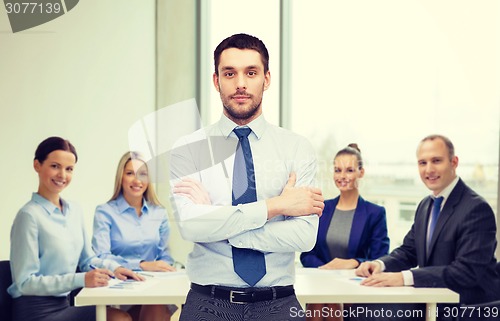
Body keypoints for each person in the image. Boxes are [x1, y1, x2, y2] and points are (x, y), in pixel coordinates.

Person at [169, 33, 325, 321]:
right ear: (216, 80)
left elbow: (304, 236)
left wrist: (218, 222)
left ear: (266, 79)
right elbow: (191, 228)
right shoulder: (187, 149)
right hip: (208, 303)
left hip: (279, 304)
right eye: (230, 73)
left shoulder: (297, 148)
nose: (240, 83)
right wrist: (276, 206)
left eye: (250, 72)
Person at [354, 134, 499, 321]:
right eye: (422, 163)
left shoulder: (476, 208)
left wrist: (403, 278)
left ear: (454, 162)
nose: (429, 169)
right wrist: (380, 265)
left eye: (436, 161)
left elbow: (466, 272)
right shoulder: (426, 205)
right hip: (432, 300)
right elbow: (409, 251)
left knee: (371, 314)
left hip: (467, 308)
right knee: (360, 309)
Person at [8, 136, 142, 321]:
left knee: (131, 314)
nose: (62, 175)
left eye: (69, 169)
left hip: (66, 304)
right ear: (37, 165)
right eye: (55, 166)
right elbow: (24, 283)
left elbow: (88, 259)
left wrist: (115, 268)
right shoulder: (29, 216)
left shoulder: (74, 211)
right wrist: (81, 279)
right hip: (36, 312)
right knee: (119, 319)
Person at [300, 144, 390, 321]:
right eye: (337, 170)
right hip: (322, 283)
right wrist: (325, 270)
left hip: (355, 286)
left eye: (349, 170)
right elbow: (307, 254)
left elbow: (381, 257)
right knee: (324, 300)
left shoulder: (375, 213)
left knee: (329, 302)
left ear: (361, 172)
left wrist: (353, 262)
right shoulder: (322, 209)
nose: (342, 176)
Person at [92, 151, 176, 321]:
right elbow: (100, 257)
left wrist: (162, 267)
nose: (137, 181)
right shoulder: (105, 212)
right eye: (130, 173)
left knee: (157, 308)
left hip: (151, 288)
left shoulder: (159, 213)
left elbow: (165, 256)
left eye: (143, 174)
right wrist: (141, 265)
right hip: (116, 288)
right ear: (121, 177)